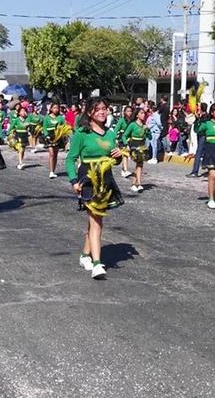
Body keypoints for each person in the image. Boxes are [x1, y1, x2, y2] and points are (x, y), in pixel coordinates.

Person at [66, 98, 124, 280]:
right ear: (90, 112)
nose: (101, 112)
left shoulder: (110, 134)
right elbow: (70, 159)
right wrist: (73, 180)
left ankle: (85, 255)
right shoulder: (81, 133)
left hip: (105, 179)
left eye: (104, 109)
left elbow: (114, 159)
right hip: (87, 179)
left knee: (94, 220)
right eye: (97, 109)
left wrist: (119, 156)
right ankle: (97, 264)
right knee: (96, 219)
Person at [123, 108, 149, 193]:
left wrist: (148, 130)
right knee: (138, 163)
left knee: (140, 164)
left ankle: (136, 183)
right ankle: (137, 183)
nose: (143, 115)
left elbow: (150, 137)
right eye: (141, 113)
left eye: (144, 113)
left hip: (142, 146)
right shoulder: (132, 125)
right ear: (137, 115)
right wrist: (126, 144)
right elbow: (124, 136)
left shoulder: (144, 125)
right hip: (134, 145)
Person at [42, 102, 68, 179]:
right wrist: (46, 135)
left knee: (55, 154)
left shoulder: (60, 118)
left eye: (57, 108)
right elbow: (44, 127)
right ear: (51, 109)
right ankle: (51, 172)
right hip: (49, 137)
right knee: (51, 153)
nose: (56, 109)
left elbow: (64, 126)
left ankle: (53, 170)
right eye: (54, 108)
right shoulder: (46, 117)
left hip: (58, 136)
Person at [186, 103, 209, 177]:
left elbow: (202, 126)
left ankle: (195, 171)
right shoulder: (200, 116)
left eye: (199, 107)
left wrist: (198, 118)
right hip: (199, 135)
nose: (197, 108)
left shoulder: (206, 116)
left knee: (198, 153)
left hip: (204, 136)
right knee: (205, 153)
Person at [7, 105, 30, 170]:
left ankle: (21, 162)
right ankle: (20, 163)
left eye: (24, 111)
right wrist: (9, 135)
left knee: (23, 150)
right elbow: (11, 127)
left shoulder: (27, 119)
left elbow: (28, 126)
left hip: (25, 135)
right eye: (22, 111)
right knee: (20, 149)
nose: (23, 112)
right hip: (18, 135)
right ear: (19, 113)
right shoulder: (16, 120)